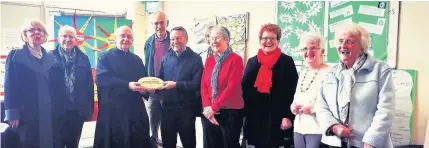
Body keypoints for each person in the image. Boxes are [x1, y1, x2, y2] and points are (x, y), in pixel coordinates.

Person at [315, 23, 395, 148]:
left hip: (367, 144)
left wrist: (372, 141)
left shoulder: (380, 70)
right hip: (334, 142)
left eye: (350, 42)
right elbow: (320, 105)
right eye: (340, 41)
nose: (343, 45)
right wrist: (333, 126)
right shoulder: (331, 72)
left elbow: (386, 109)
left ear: (363, 47)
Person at [93, 26, 154, 148]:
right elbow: (103, 79)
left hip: (134, 108)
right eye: (122, 36)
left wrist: (147, 88)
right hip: (113, 109)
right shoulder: (105, 58)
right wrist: (127, 85)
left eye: (129, 37)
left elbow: (143, 79)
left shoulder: (137, 60)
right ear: (115, 39)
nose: (126, 39)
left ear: (132, 40)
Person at [241, 23, 298, 148]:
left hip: (277, 118)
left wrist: (287, 116)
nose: (268, 41)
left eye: (272, 38)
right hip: (255, 118)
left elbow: (292, 91)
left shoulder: (286, 61)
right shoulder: (252, 62)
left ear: (278, 41)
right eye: (265, 38)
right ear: (260, 40)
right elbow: (245, 90)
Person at [3, 20, 56, 148]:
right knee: (28, 142)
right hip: (25, 111)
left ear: (44, 36)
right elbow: (10, 85)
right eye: (32, 30)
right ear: (25, 35)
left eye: (40, 30)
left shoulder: (51, 57)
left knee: (46, 141)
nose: (36, 32)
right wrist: (12, 113)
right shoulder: (16, 56)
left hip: (47, 110)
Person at [157, 26, 203, 148]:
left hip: (186, 110)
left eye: (178, 38)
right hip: (167, 109)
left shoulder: (195, 58)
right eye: (172, 39)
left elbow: (197, 84)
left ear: (186, 39)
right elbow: (159, 80)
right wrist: (152, 86)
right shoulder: (166, 58)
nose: (175, 41)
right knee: (168, 143)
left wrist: (176, 85)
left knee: (189, 144)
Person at [50, 25, 94, 148]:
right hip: (57, 112)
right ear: (58, 38)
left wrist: (89, 110)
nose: (68, 39)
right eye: (64, 36)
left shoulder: (83, 58)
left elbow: (89, 85)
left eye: (71, 37)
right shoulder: (49, 58)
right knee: (56, 143)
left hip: (77, 112)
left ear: (76, 40)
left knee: (74, 144)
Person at [200, 26, 244, 148]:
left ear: (227, 40)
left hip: (230, 113)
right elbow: (203, 85)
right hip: (209, 113)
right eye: (211, 38)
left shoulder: (236, 59)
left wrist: (214, 107)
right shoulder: (209, 60)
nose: (214, 41)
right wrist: (207, 108)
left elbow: (232, 87)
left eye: (217, 38)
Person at [290, 32, 330, 148]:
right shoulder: (303, 72)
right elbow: (296, 99)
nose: (308, 52)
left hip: (317, 129)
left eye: (313, 48)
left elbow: (333, 104)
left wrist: (312, 109)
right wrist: (293, 107)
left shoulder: (329, 72)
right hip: (299, 128)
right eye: (305, 49)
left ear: (322, 51)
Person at [143, 11, 170, 145]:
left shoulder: (173, 39)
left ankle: (168, 142)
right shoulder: (148, 42)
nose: (159, 26)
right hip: (153, 89)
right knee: (153, 120)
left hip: (168, 88)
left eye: (161, 22)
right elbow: (147, 63)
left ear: (167, 23)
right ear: (152, 25)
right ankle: (154, 141)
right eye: (155, 23)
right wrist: (146, 87)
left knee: (168, 120)